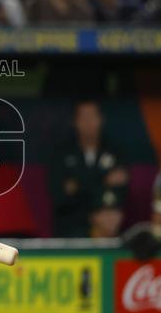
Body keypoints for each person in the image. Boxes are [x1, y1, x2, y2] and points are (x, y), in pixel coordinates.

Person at [49, 100, 128, 237]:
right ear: (75, 122)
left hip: (108, 232)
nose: (88, 122)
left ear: (101, 119)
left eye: (92, 117)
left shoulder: (115, 152)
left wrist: (78, 185)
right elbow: (60, 197)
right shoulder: (61, 154)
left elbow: (120, 193)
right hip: (70, 233)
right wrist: (103, 179)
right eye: (83, 117)